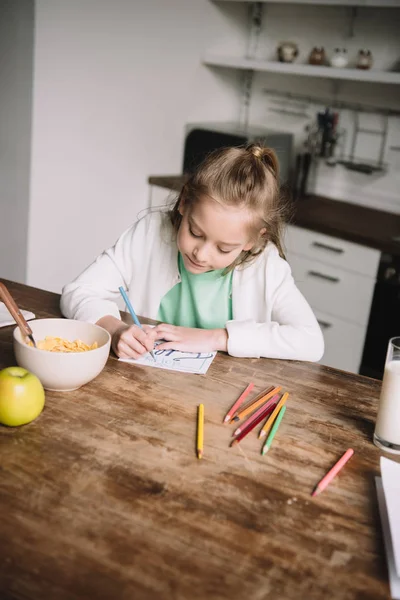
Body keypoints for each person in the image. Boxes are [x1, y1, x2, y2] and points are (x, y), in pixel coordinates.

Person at [60, 144, 324, 362]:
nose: (201, 254)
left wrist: (216, 337)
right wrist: (114, 329)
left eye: (223, 248)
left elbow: (311, 342)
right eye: (195, 233)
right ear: (184, 202)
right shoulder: (151, 234)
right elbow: (79, 291)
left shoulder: (266, 266)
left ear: (253, 240)